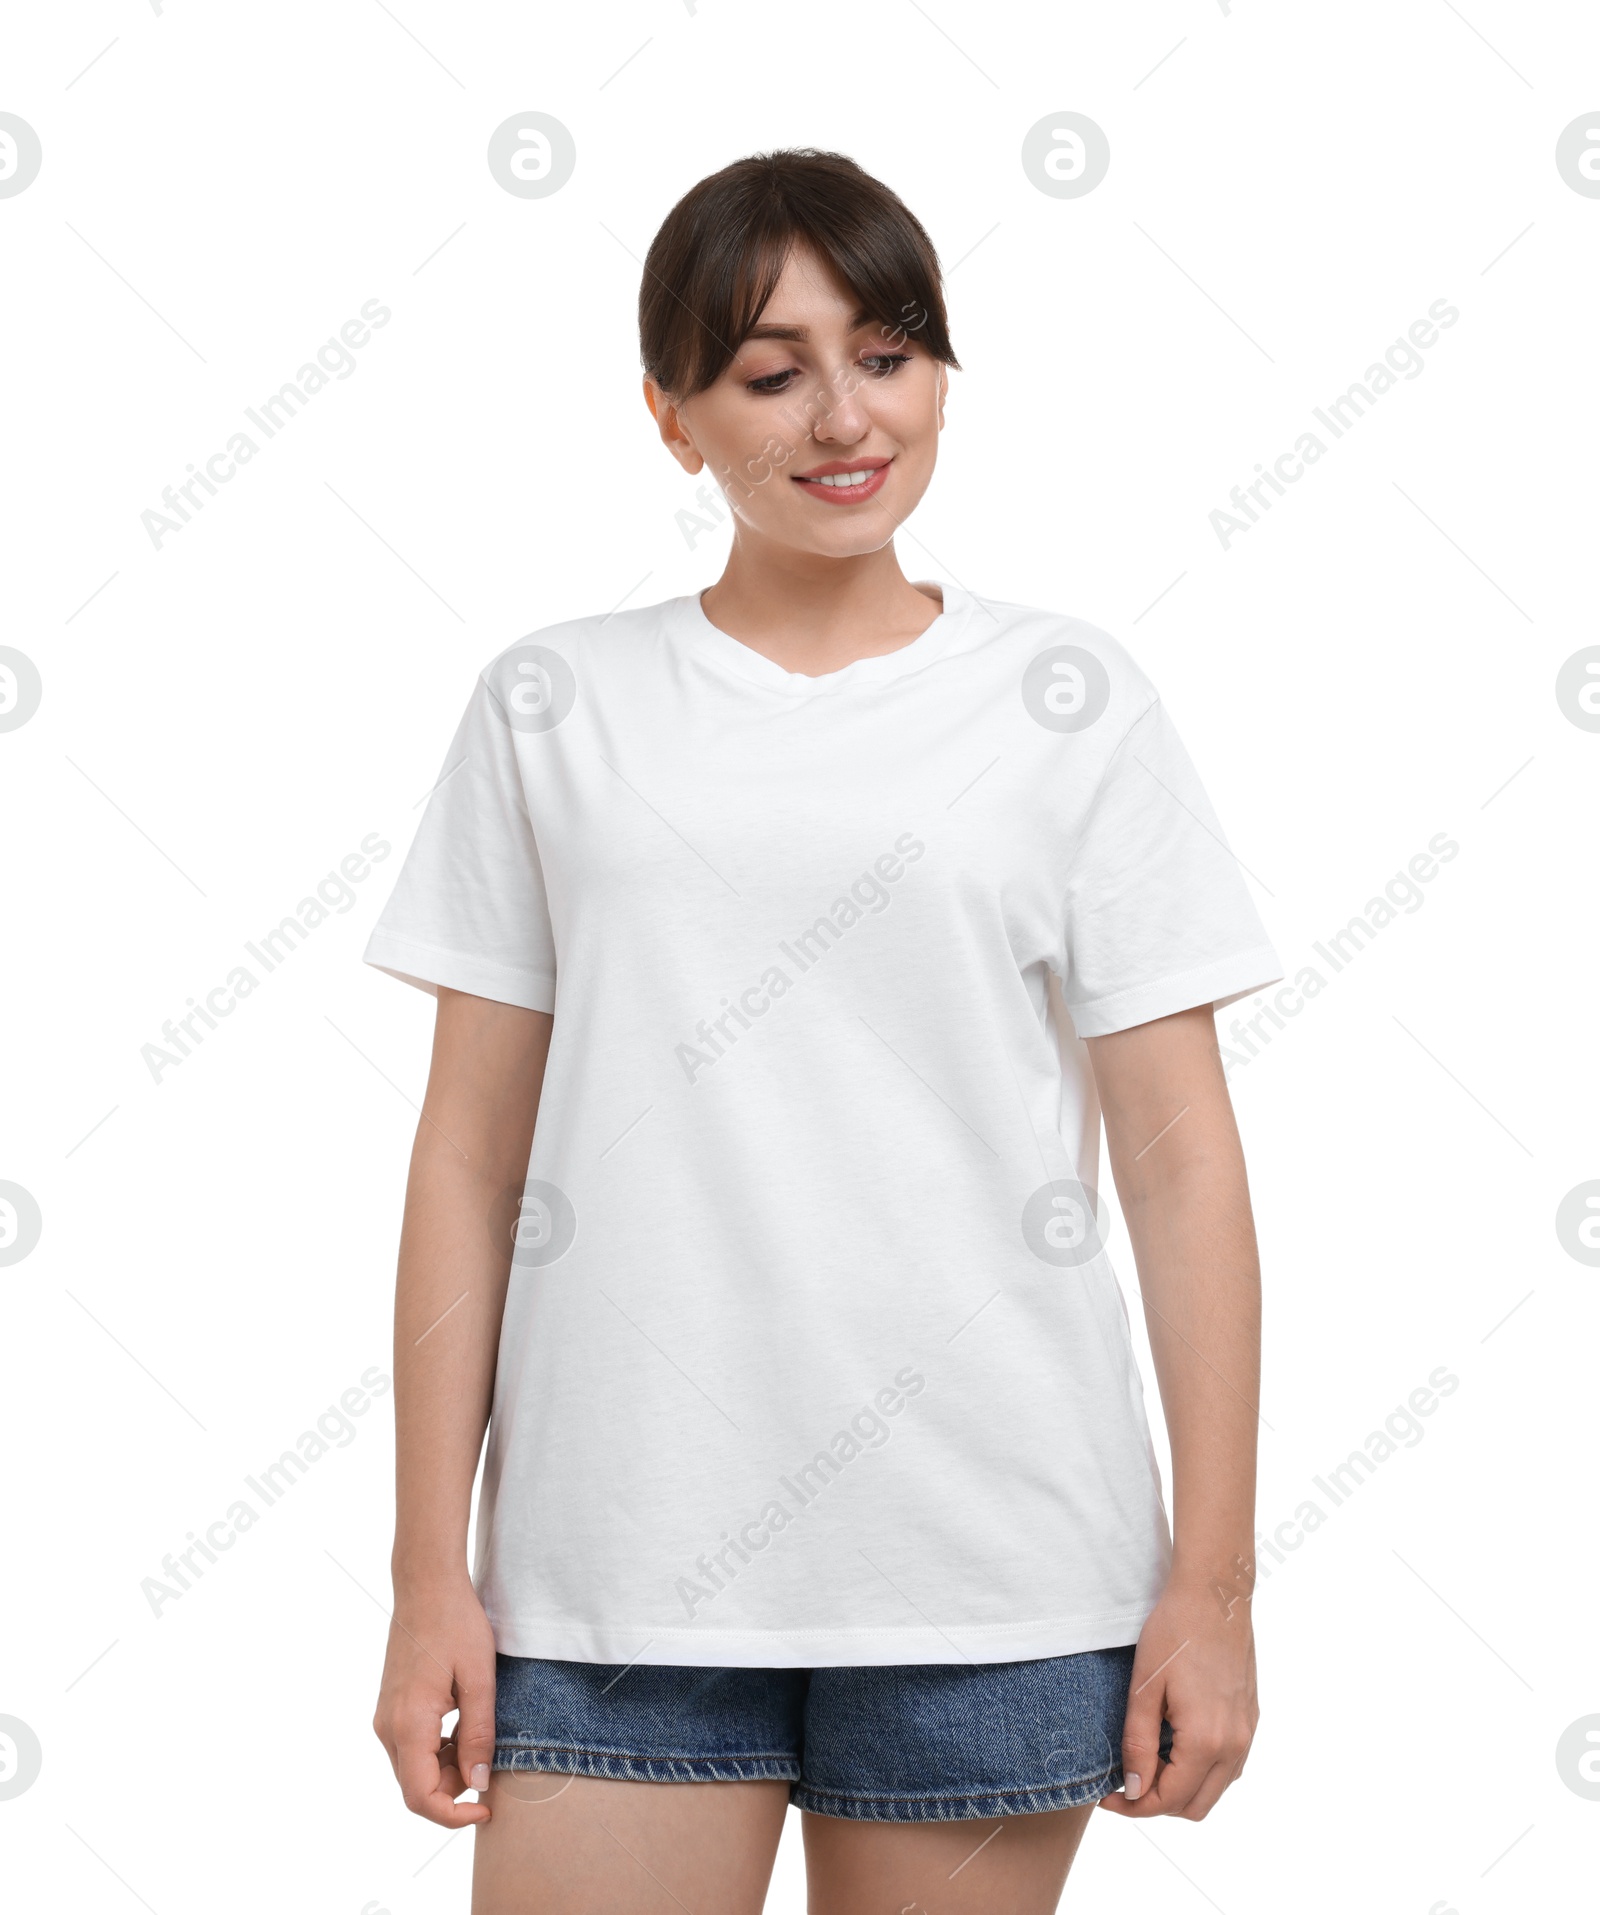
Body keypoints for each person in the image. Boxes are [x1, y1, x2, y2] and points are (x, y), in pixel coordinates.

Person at [365, 148, 1279, 1915]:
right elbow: (466, 1162)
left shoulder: (1066, 701)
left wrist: (1214, 1589)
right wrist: (426, 1577)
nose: (844, 416)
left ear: (942, 370)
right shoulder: (555, 704)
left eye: (889, 351)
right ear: (671, 416)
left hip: (992, 1568)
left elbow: (1185, 1175)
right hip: (615, 1570)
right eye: (770, 373)